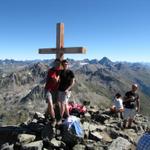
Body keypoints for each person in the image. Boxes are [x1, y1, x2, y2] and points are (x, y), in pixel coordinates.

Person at [57, 59, 75, 124]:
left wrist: (67, 89)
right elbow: (58, 79)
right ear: (62, 65)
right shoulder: (60, 72)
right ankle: (68, 116)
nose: (65, 65)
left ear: (68, 65)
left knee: (62, 104)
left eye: (66, 64)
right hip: (60, 90)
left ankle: (60, 118)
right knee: (65, 103)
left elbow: (73, 82)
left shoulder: (70, 72)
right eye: (64, 64)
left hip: (66, 91)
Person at [44, 59, 61, 126]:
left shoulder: (60, 71)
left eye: (58, 64)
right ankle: (53, 119)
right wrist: (59, 75)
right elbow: (55, 80)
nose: (57, 65)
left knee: (56, 104)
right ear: (54, 63)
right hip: (49, 90)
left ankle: (47, 115)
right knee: (51, 104)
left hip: (56, 90)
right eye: (56, 63)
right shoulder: (51, 71)